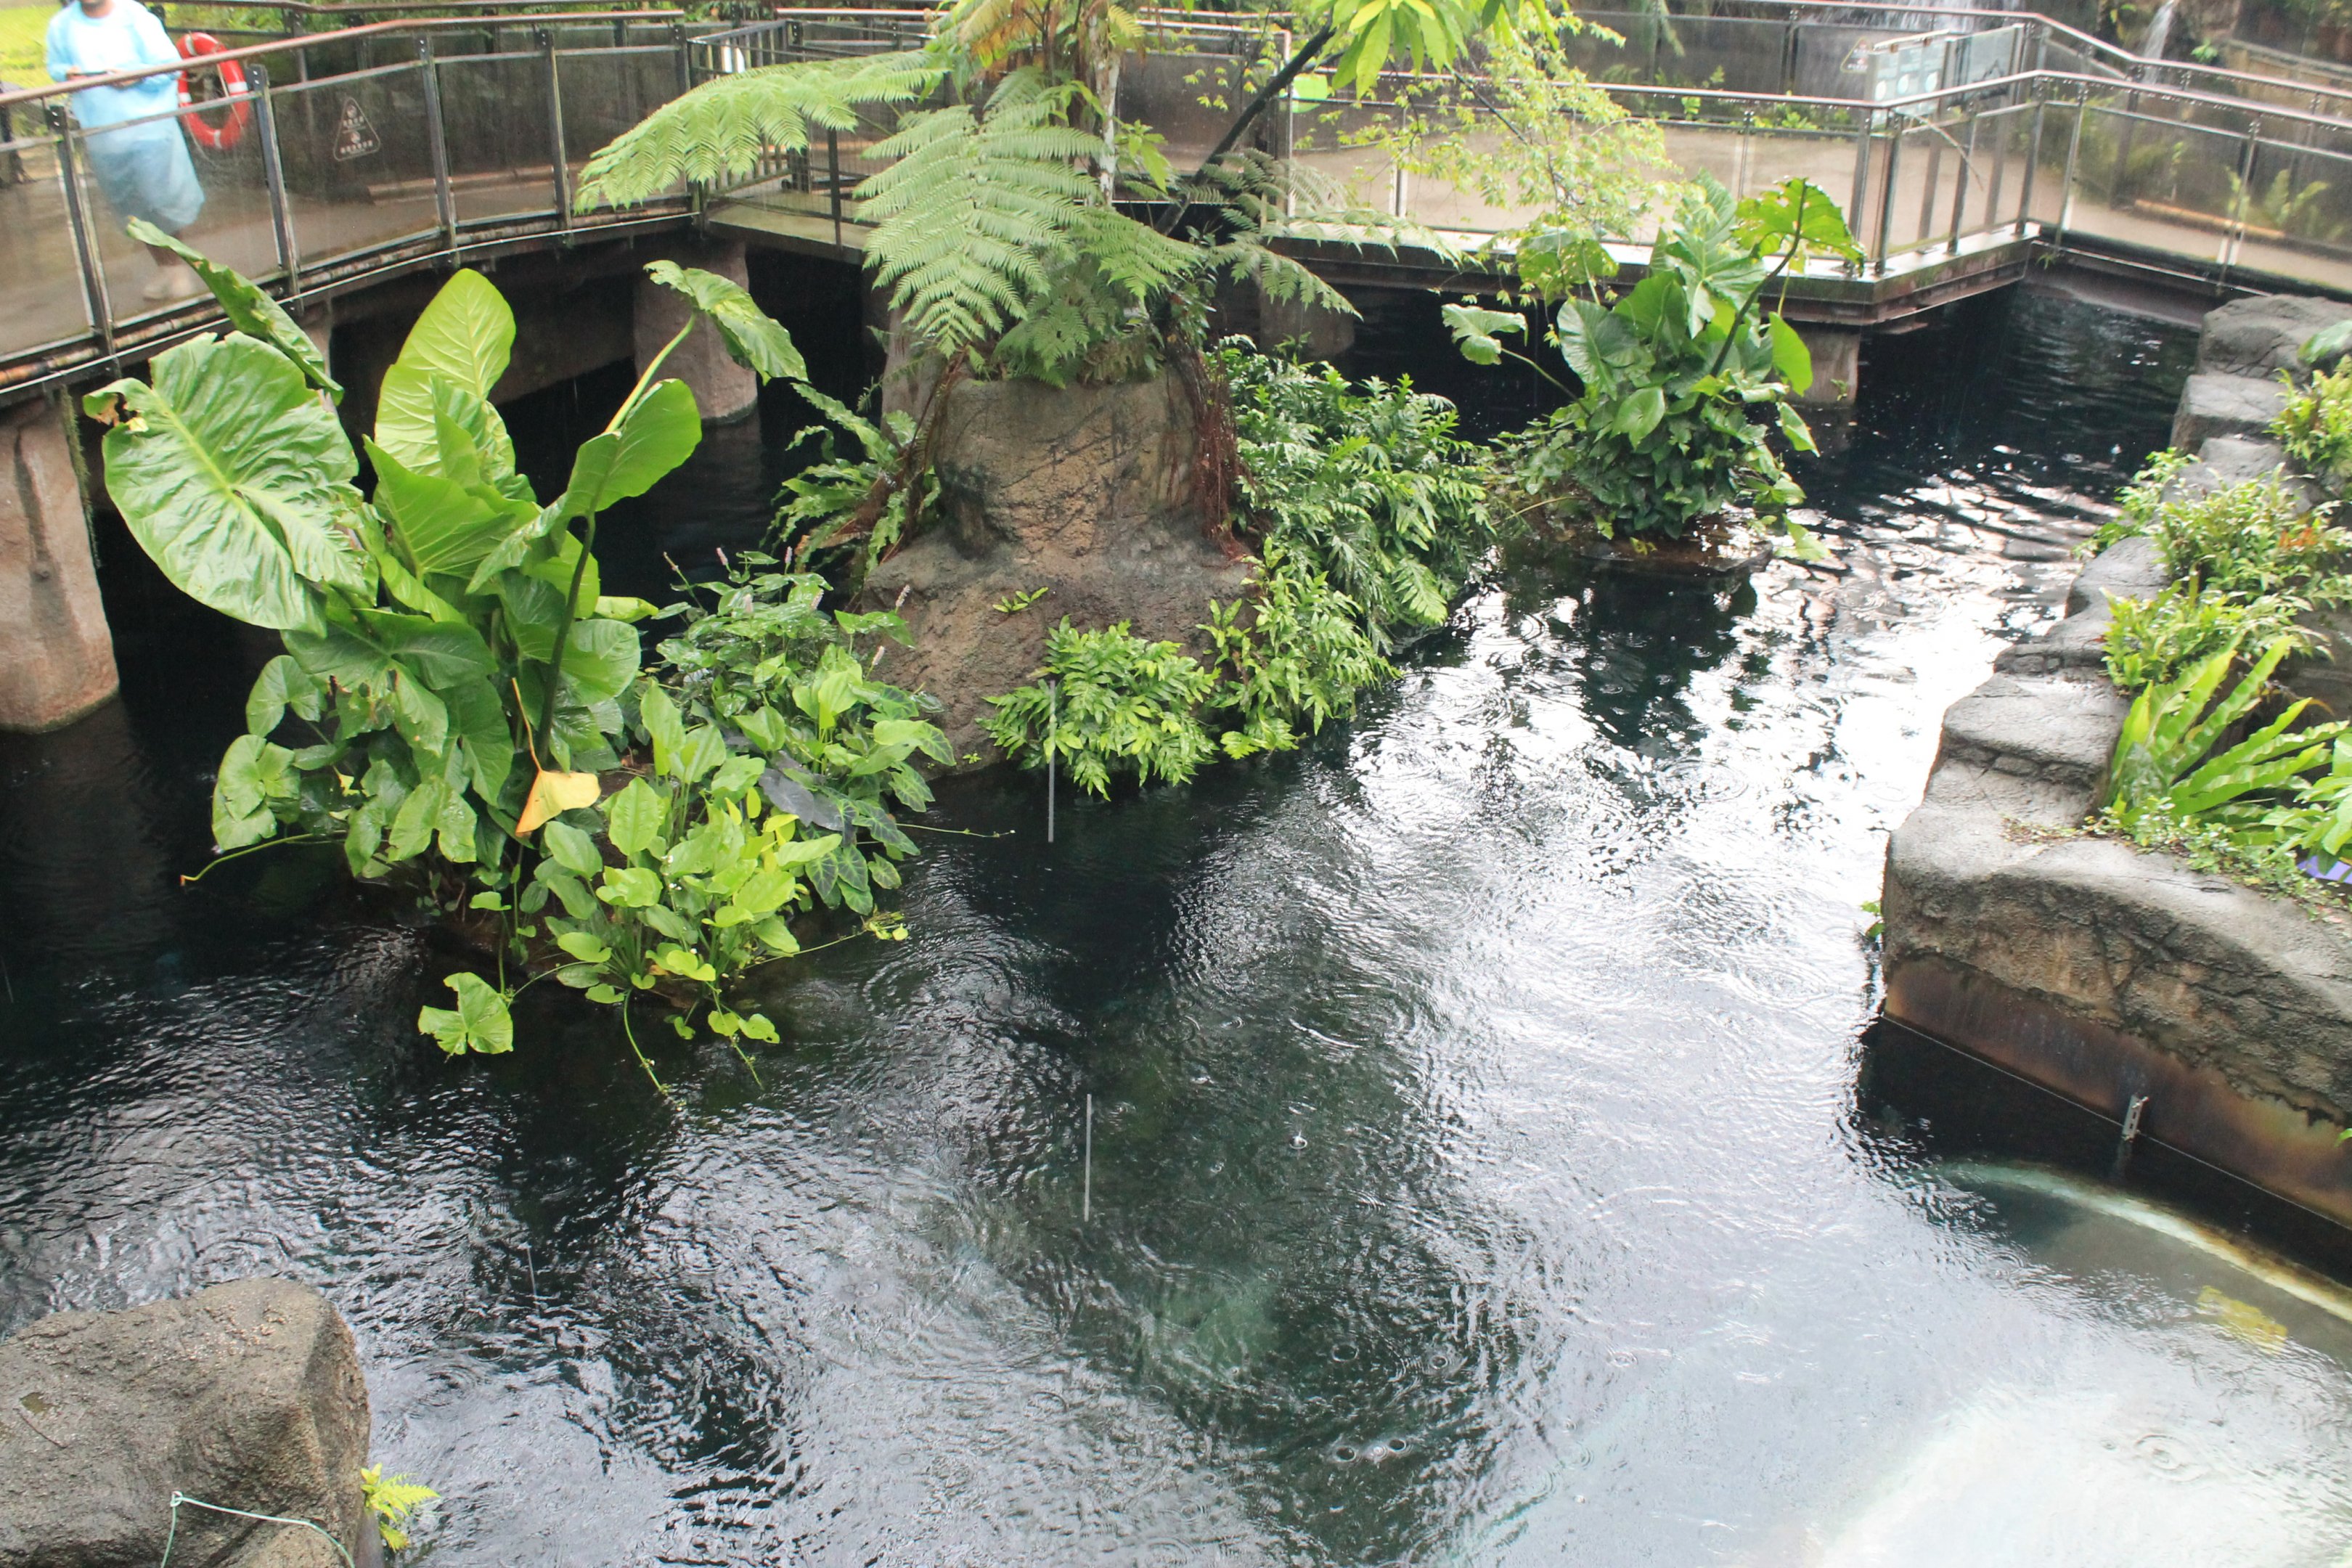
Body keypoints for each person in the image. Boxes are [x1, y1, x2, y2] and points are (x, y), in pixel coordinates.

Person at [46, 0, 206, 303]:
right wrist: (68, 75)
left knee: (161, 202)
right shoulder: (62, 26)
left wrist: (138, 75)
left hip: (149, 129)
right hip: (104, 135)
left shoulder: (134, 16)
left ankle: (179, 267)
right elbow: (55, 67)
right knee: (133, 208)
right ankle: (166, 267)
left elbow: (169, 65)